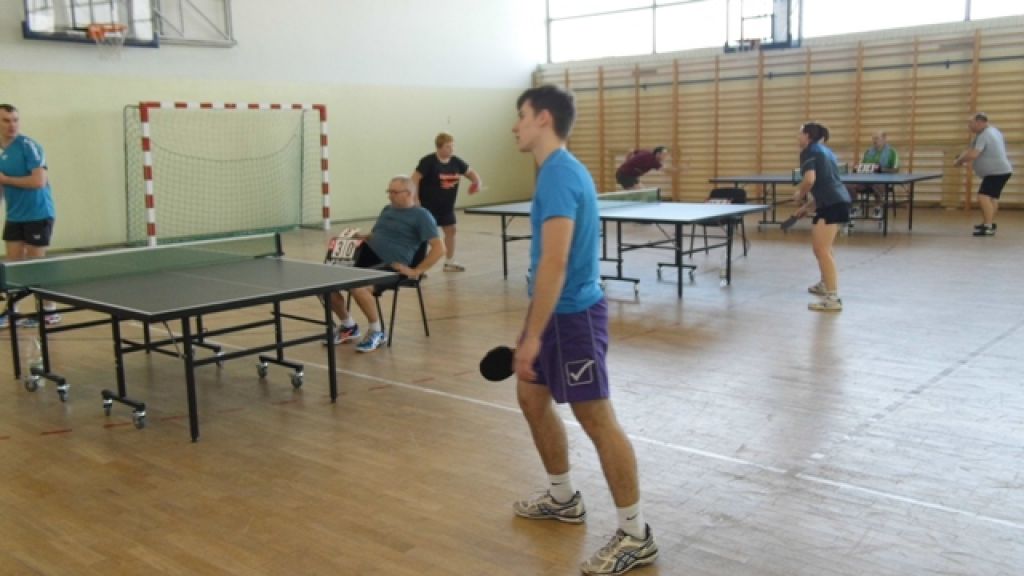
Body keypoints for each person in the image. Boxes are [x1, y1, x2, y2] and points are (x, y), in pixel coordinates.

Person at [510, 84, 658, 575]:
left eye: (522, 115)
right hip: (553, 314)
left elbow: (555, 261)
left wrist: (533, 334)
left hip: (572, 318)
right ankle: (562, 498)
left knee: (595, 417)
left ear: (543, 119)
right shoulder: (556, 171)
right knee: (531, 399)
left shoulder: (558, 175)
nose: (515, 125)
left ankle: (635, 535)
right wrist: (534, 326)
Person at [327, 175, 443, 352]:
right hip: (369, 257)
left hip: (393, 266)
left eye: (394, 192)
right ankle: (349, 326)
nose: (390, 195)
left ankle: (377, 331)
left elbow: (439, 248)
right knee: (325, 282)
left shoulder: (422, 216)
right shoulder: (387, 210)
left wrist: (416, 271)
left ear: (409, 193)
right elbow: (378, 234)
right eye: (389, 191)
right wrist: (363, 236)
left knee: (359, 287)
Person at [0, 103, 59, 328]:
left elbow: (38, 181)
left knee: (36, 266)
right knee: (13, 266)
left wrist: (5, 180)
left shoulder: (29, 147)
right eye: (6, 120)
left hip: (38, 213)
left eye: (15, 120)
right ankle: (12, 311)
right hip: (15, 216)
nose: (12, 125)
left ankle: (50, 311)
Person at [794, 122, 851, 312]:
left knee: (822, 250)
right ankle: (825, 284)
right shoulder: (826, 151)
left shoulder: (809, 151)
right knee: (822, 249)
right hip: (833, 201)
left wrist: (800, 193)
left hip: (832, 204)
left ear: (807, 135)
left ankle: (833, 298)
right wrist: (807, 207)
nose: (797, 137)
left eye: (800, 133)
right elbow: (826, 184)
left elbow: (810, 180)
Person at [412, 132, 482, 272]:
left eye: (452, 146)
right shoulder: (428, 161)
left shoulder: (456, 161)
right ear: (439, 147)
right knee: (423, 236)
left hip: (446, 207)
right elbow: (414, 179)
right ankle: (417, 266)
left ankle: (449, 262)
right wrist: (415, 199)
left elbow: (471, 172)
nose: (451, 149)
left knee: (451, 230)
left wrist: (477, 183)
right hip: (428, 207)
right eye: (448, 147)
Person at [954, 113, 1013, 237]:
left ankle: (988, 227)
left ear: (979, 122)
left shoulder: (985, 135)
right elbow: (970, 150)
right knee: (992, 198)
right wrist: (960, 157)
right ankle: (988, 222)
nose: (969, 126)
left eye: (971, 123)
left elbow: (973, 154)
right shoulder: (991, 131)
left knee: (983, 197)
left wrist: (959, 161)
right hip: (1001, 171)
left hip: (996, 172)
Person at [853, 131, 900, 219]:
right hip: (866, 180)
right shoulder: (868, 152)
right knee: (850, 185)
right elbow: (861, 165)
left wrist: (881, 169)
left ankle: (877, 208)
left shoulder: (892, 152)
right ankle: (855, 207)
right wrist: (857, 168)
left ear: (884, 139)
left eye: (877, 138)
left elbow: (896, 169)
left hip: (884, 180)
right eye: (873, 138)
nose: (874, 141)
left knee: (878, 184)